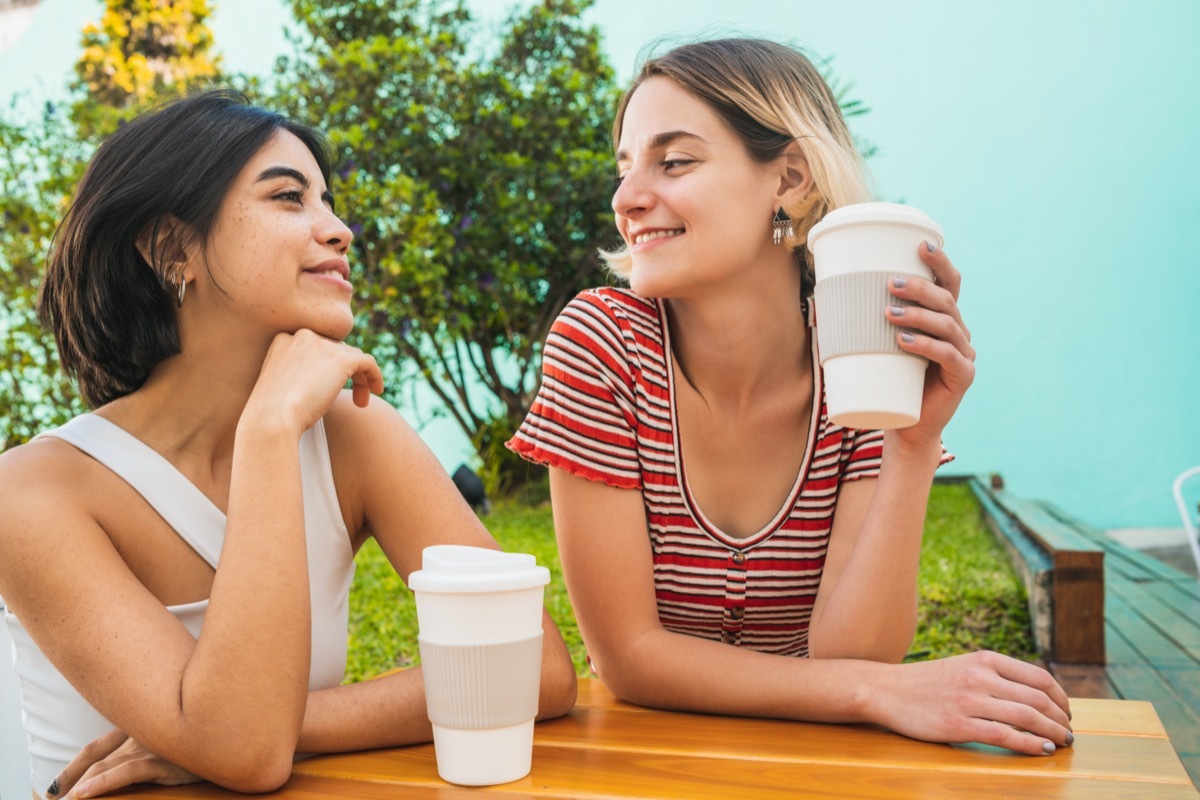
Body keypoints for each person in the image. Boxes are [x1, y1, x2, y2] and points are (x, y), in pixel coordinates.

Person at [0, 90, 577, 798]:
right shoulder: (31, 492)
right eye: (287, 198)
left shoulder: (352, 434)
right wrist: (270, 429)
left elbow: (534, 668)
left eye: (328, 202)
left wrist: (260, 723)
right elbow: (244, 750)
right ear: (172, 249)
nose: (339, 230)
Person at [507, 37, 1073, 756]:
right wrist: (874, 693)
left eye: (673, 162)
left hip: (816, 768)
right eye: (624, 169)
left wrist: (911, 443)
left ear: (791, 178)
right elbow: (629, 657)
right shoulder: (604, 345)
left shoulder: (862, 359)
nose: (626, 199)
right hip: (646, 765)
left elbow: (854, 652)